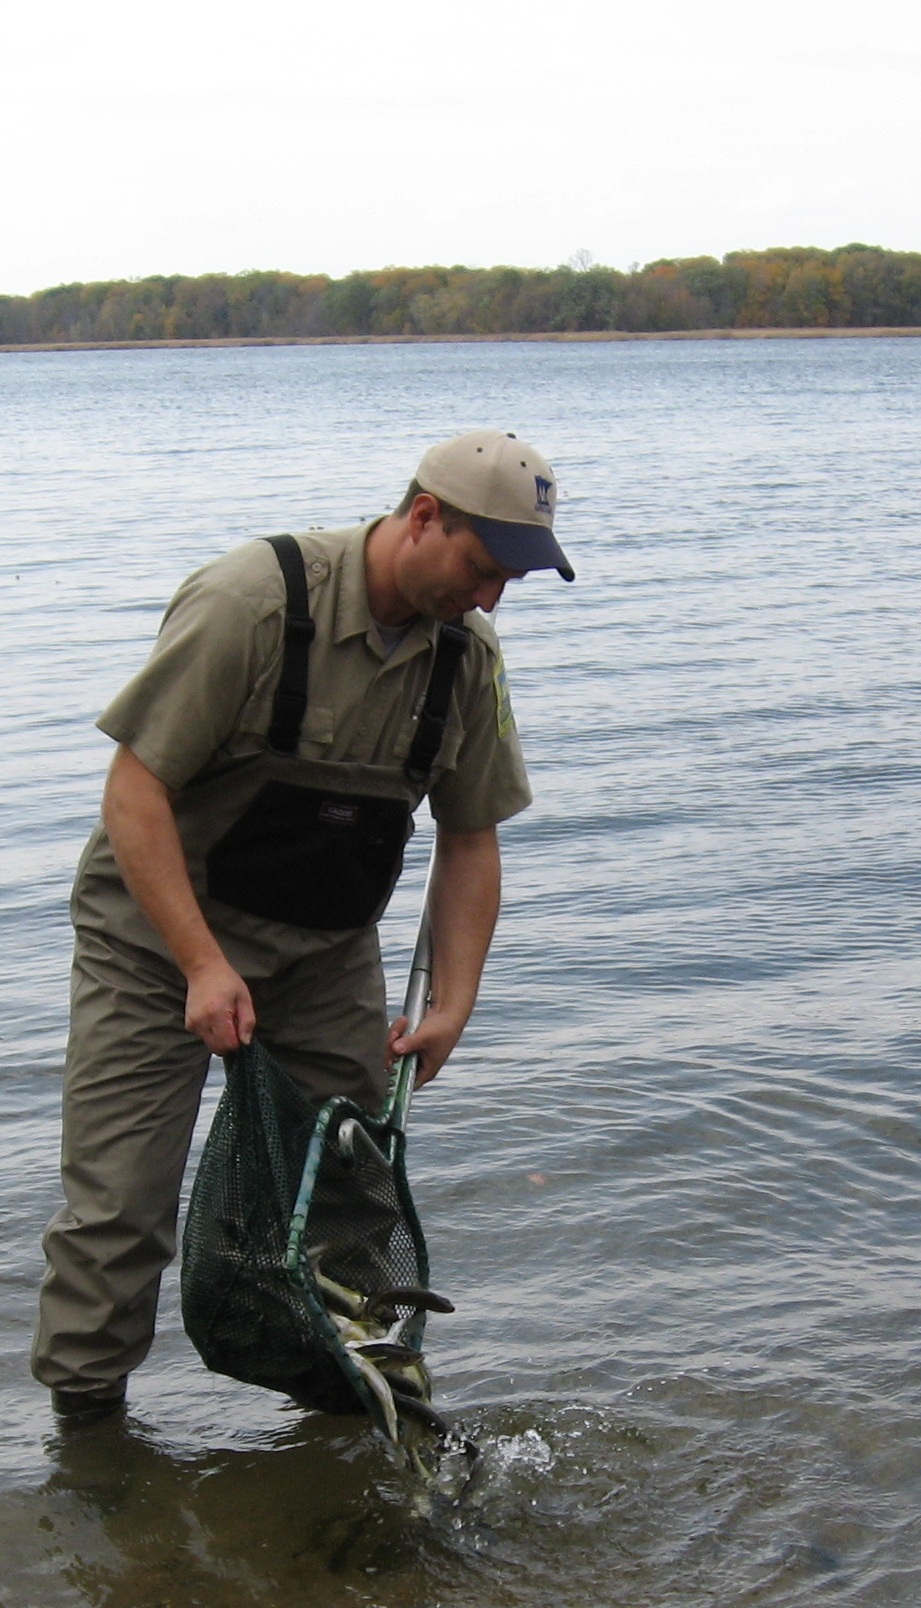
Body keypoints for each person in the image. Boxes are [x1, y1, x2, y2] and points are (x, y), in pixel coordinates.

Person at [32, 430, 574, 1425]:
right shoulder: (252, 603)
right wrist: (200, 965)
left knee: (350, 1208)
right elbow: (134, 792)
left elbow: (470, 838)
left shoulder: (465, 660)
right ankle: (90, 1448)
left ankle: (340, 1422)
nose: (492, 598)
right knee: (119, 1213)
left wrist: (453, 1003)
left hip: (324, 955)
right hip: (154, 944)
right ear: (421, 519)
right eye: (481, 567)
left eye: (510, 580)